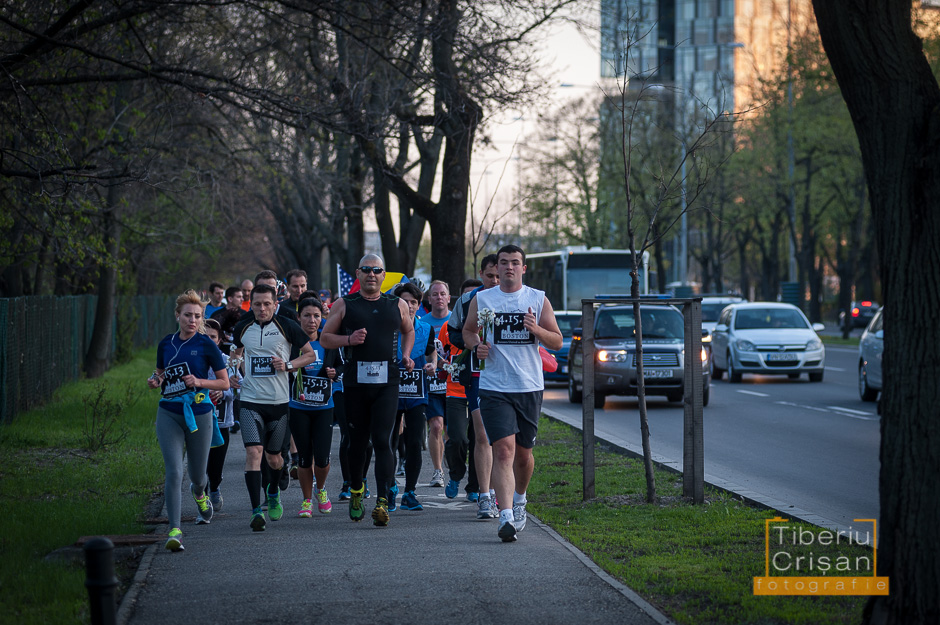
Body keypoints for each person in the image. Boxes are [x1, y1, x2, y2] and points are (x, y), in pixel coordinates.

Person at [463, 245, 563, 542]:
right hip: (494, 386)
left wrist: (536, 330)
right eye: (504, 262)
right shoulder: (482, 299)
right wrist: (475, 345)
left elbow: (557, 341)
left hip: (529, 386)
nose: (508, 267)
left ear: (523, 268)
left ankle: (520, 500)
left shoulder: (537, 298)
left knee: (523, 455)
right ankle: (505, 516)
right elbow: (469, 331)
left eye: (514, 263)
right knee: (502, 450)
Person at [319, 254, 415, 526]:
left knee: (384, 441)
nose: (371, 274)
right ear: (358, 273)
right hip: (355, 384)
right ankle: (357, 490)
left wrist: (406, 355)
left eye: (377, 270)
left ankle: (383, 501)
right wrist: (349, 339)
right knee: (358, 443)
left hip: (388, 383)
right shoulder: (344, 304)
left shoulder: (396, 304)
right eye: (366, 270)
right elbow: (325, 338)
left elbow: (409, 331)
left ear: (384, 275)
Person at [148, 290, 229, 552]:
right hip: (169, 411)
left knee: (197, 476)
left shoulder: (207, 345)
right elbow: (160, 372)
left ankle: (200, 495)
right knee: (174, 471)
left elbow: (224, 382)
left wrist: (199, 382)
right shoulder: (166, 343)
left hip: (199, 412)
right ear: (177, 316)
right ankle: (175, 529)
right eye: (187, 315)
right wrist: (155, 380)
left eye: (197, 316)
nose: (192, 320)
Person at [231, 284, 317, 531]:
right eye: (257, 304)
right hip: (249, 400)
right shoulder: (242, 327)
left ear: (275, 304)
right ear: (251, 303)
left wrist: (288, 365)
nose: (261, 308)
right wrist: (236, 371)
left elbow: (310, 355)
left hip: (278, 404)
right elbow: (236, 354)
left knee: (275, 458)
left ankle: (272, 491)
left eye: (266, 304)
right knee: (253, 452)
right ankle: (256, 511)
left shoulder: (286, 326)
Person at [446, 256, 500, 514]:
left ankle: (501, 492)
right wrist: (474, 343)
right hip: (478, 374)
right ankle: (484, 495)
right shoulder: (468, 301)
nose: (495, 281)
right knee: (482, 436)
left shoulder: (516, 299)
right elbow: (454, 330)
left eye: (499, 276)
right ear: (482, 274)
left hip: (509, 376)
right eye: (490, 276)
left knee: (505, 440)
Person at [289, 297, 339, 517]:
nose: (312, 320)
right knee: (303, 457)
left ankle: (321, 489)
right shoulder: (290, 343)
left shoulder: (328, 341)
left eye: (317, 316)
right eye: (307, 315)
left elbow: (341, 365)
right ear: (298, 317)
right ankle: (307, 500)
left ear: (323, 318)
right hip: (298, 407)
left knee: (322, 458)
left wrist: (334, 372)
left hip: (323, 407)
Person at [389, 282, 437, 511]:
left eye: (413, 302)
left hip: (417, 392)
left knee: (415, 442)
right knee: (388, 441)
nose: (409, 306)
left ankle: (409, 492)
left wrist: (432, 365)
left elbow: (431, 352)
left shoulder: (426, 329)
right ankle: (388, 488)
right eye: (404, 301)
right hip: (390, 392)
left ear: (419, 306)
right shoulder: (388, 328)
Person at [203, 318, 238, 511]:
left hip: (222, 422)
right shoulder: (194, 360)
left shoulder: (227, 361)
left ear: (218, 340)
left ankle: (215, 486)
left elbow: (239, 388)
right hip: (198, 420)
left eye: (212, 337)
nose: (208, 340)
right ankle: (203, 495)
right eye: (204, 336)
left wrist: (223, 392)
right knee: (200, 465)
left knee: (215, 466)